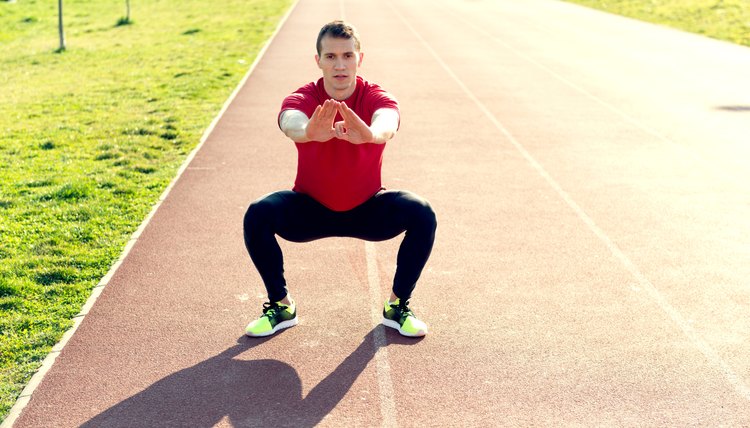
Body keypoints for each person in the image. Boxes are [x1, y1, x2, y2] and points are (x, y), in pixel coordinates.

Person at [243, 20, 437, 338]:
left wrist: (372, 134)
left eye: (347, 55)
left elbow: (387, 121)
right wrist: (308, 132)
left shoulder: (376, 95)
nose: (340, 65)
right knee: (258, 213)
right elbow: (289, 120)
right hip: (310, 209)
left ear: (360, 58)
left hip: (367, 209)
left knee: (421, 212)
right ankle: (281, 306)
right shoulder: (305, 96)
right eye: (331, 56)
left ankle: (397, 306)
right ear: (317, 60)